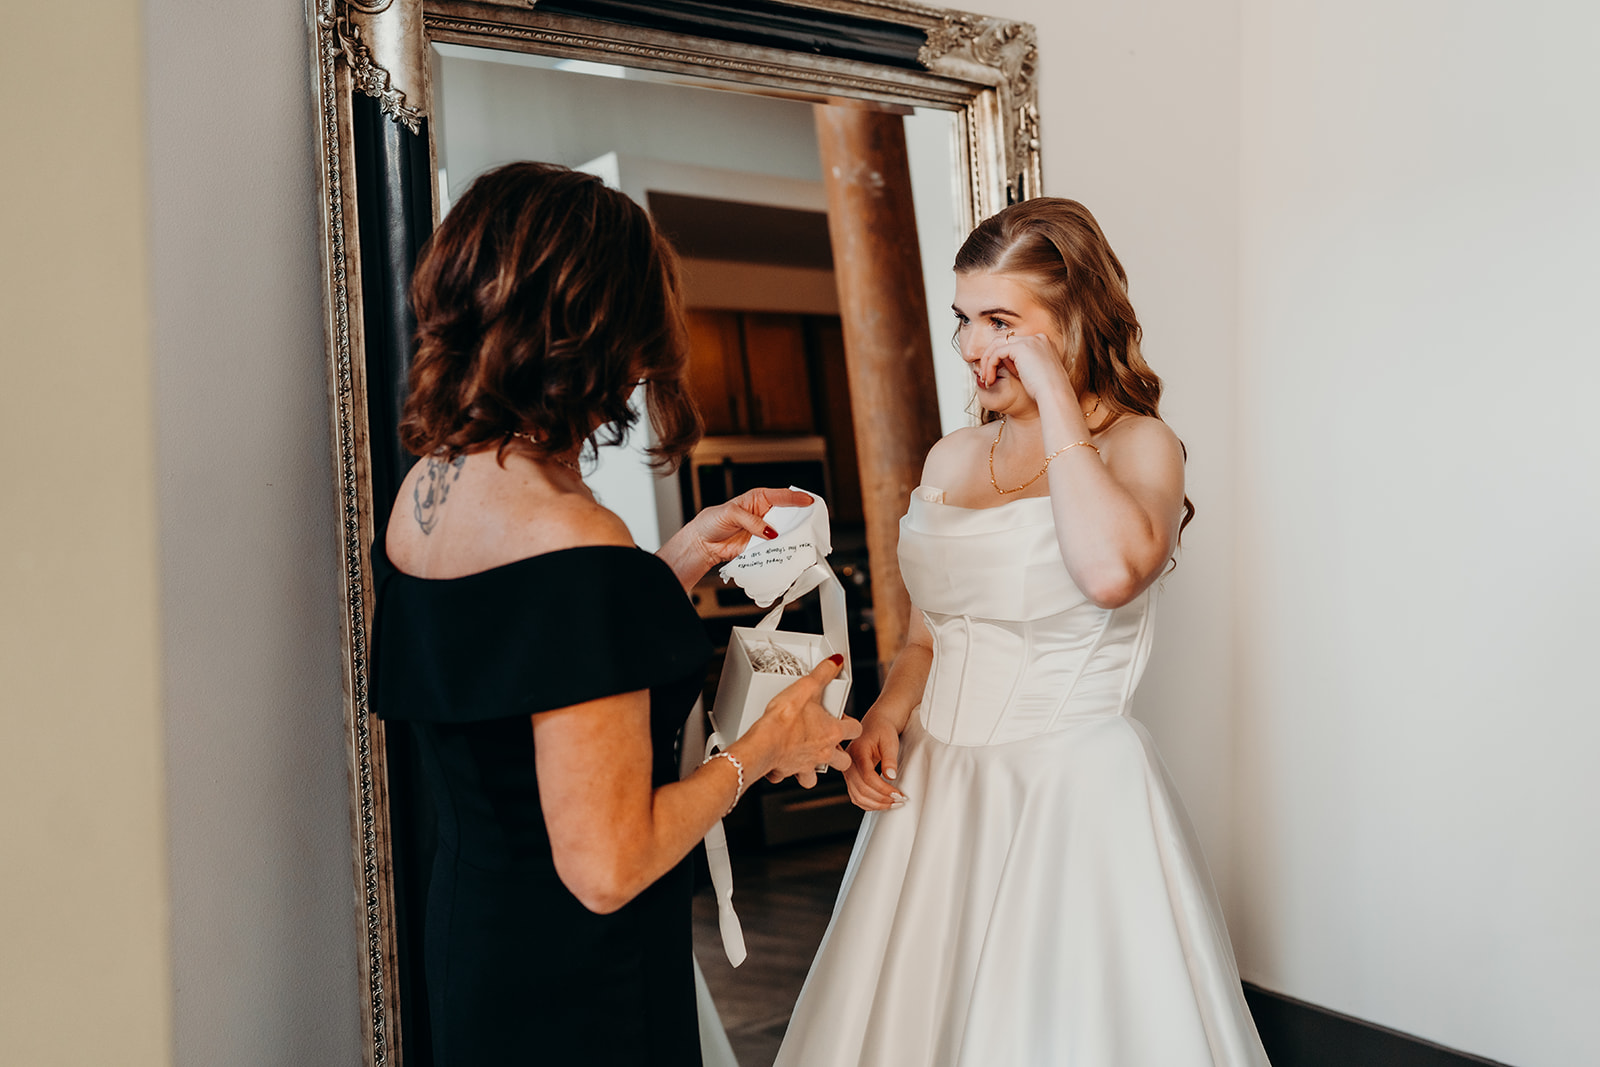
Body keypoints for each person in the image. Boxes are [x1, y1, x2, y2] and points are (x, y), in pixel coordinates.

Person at [370, 161, 860, 1066]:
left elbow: (523, 655)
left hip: (475, 949)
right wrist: (765, 748)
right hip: (582, 987)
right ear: (597, 335)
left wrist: (678, 559)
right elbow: (606, 867)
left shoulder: (429, 489)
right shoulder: (575, 534)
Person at [776, 199, 1270, 1066]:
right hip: (935, 795)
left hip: (1069, 796)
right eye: (964, 318)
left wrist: (1054, 400)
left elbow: (1110, 572)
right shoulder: (950, 459)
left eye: (1002, 321)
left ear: (1072, 319)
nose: (973, 346)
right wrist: (888, 713)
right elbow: (928, 636)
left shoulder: (1141, 446)